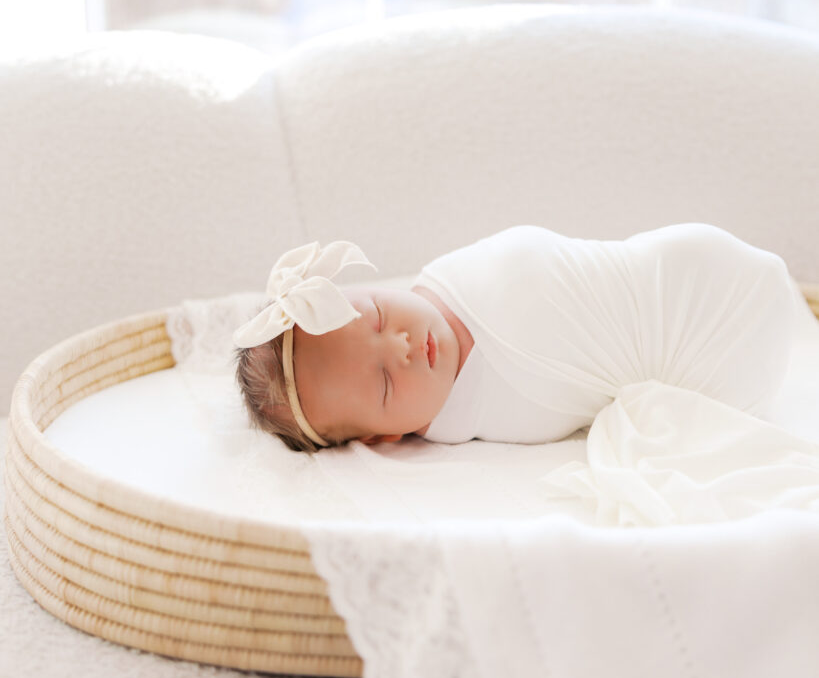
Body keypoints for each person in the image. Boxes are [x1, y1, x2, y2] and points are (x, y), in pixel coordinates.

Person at [233, 224, 797, 453]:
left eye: (378, 316)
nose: (401, 347)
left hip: (686, 273)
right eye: (384, 383)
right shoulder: (464, 420)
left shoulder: (453, 278)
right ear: (388, 437)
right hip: (713, 357)